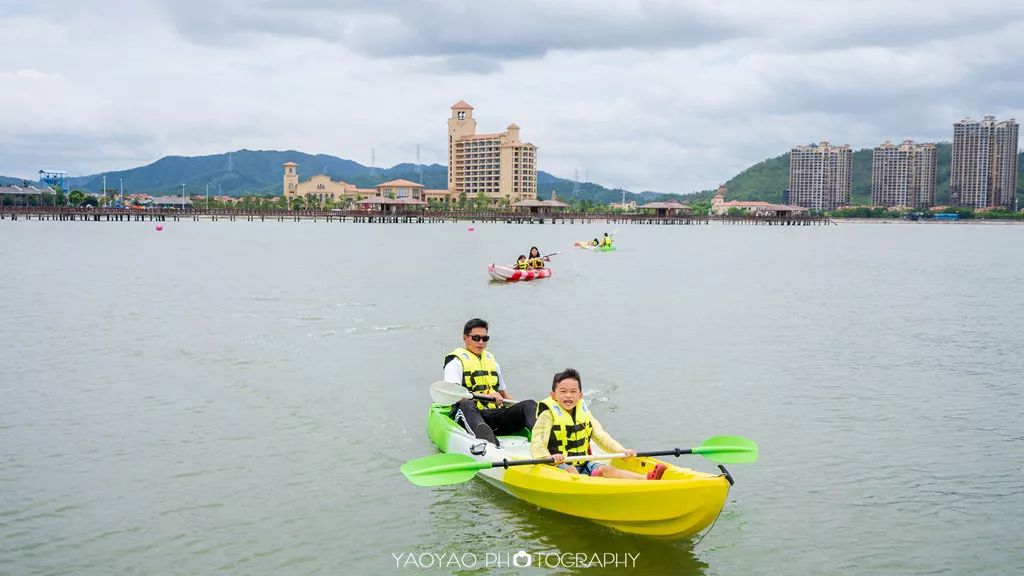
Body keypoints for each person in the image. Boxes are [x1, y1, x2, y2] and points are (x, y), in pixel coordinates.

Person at [531, 368, 666, 480]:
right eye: (563, 391)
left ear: (580, 396)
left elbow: (601, 436)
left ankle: (646, 478)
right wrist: (549, 457)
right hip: (557, 464)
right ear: (553, 395)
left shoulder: (584, 414)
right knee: (571, 470)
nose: (568, 396)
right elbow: (538, 443)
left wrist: (620, 450)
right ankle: (589, 484)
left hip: (584, 461)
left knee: (606, 469)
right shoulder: (547, 415)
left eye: (573, 392)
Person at [444, 318, 537, 446]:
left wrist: (523, 409)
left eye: (485, 338)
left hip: (493, 415)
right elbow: (453, 395)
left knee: (529, 404)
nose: (481, 342)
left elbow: (504, 396)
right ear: (465, 338)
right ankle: (489, 443)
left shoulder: (493, 363)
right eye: (476, 338)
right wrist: (487, 396)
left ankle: (543, 440)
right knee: (466, 404)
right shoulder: (456, 363)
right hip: (470, 415)